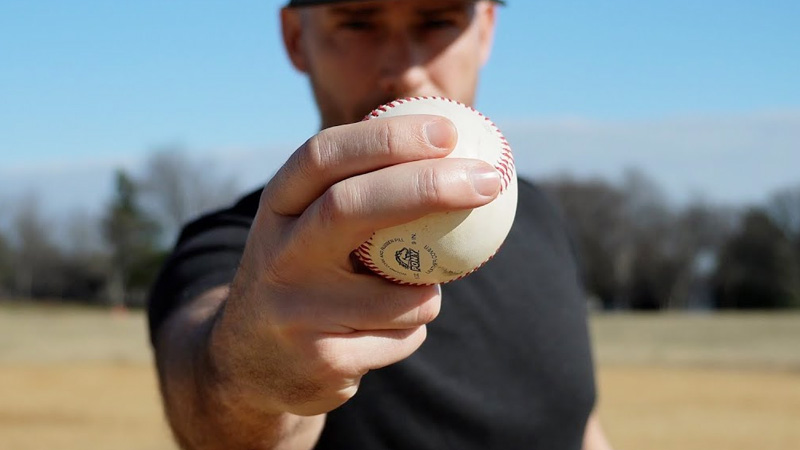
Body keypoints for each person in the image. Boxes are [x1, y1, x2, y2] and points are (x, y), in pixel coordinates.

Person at [147, 0, 614, 449]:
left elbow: (579, 425)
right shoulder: (242, 250)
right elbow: (207, 406)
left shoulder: (538, 216)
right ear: (295, 38)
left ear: (486, 30)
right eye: (358, 23)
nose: (406, 70)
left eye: (437, 20)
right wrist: (249, 376)